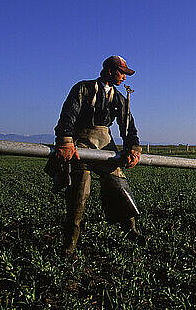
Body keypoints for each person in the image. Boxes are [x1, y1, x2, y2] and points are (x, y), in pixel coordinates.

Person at [46, 55, 145, 256]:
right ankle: (70, 241)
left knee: (120, 185)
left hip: (105, 145)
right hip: (81, 144)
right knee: (79, 193)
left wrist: (133, 148)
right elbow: (68, 116)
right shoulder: (83, 89)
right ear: (109, 70)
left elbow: (128, 127)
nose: (124, 78)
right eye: (122, 73)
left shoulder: (119, 97)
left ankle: (131, 230)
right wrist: (65, 141)